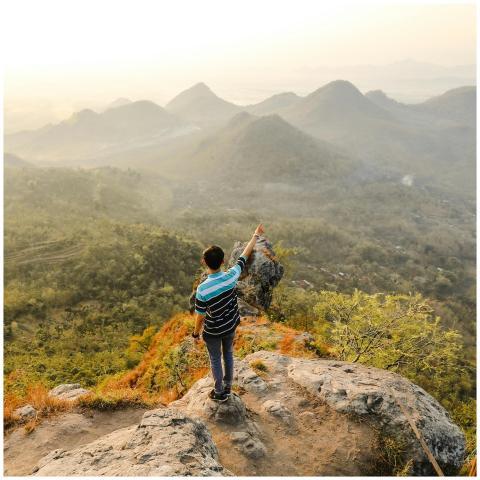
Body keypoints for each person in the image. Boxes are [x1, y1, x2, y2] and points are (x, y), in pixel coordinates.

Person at [192, 224, 265, 402]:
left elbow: (200, 315)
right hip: (231, 325)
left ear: (204, 262)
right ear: (223, 261)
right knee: (228, 354)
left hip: (214, 331)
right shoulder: (231, 275)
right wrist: (255, 236)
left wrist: (195, 334)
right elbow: (244, 256)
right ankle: (228, 387)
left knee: (216, 359)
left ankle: (218, 392)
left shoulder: (203, 289)